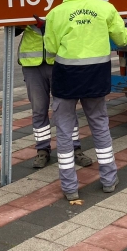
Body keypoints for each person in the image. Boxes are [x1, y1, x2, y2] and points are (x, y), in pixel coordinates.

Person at [44, 0, 127, 200]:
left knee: (65, 131)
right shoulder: (105, 8)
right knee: (99, 126)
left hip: (66, 79)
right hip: (96, 77)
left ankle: (69, 187)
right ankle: (109, 179)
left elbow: (50, 48)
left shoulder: (55, 14)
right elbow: (123, 38)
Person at [16, 19, 92, 169]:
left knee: (66, 109)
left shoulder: (61, 2)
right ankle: (42, 150)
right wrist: (18, 25)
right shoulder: (26, 0)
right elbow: (11, 29)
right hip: (32, 64)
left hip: (59, 62)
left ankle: (75, 149)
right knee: (38, 110)